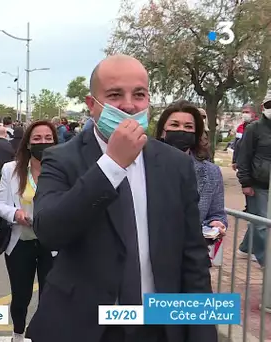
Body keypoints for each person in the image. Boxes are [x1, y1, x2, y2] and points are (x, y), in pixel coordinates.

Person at [27, 55, 216, 342]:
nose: (129, 105)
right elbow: (50, 231)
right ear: (92, 106)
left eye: (138, 95)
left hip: (157, 327)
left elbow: (193, 258)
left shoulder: (175, 165)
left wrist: (202, 333)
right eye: (115, 95)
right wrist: (112, 166)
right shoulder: (61, 158)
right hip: (84, 328)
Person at [0, 120, 57, 342]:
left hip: (51, 244)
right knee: (21, 295)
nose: (43, 143)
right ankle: (18, 334)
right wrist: (16, 214)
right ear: (28, 143)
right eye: (37, 138)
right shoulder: (12, 169)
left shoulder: (61, 169)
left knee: (50, 296)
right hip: (20, 243)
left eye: (48, 139)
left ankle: (43, 332)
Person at [154, 100, 228, 254]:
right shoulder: (143, 164)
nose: (181, 130)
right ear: (163, 131)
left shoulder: (211, 173)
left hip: (191, 256)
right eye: (175, 125)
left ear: (196, 133)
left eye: (188, 127)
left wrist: (216, 224)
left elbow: (217, 213)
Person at [236, 91, 271, 266]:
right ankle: (266, 260)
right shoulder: (253, 129)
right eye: (269, 105)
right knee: (262, 222)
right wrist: (245, 182)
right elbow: (244, 157)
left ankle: (244, 248)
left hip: (269, 184)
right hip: (257, 184)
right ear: (263, 107)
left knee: (258, 218)